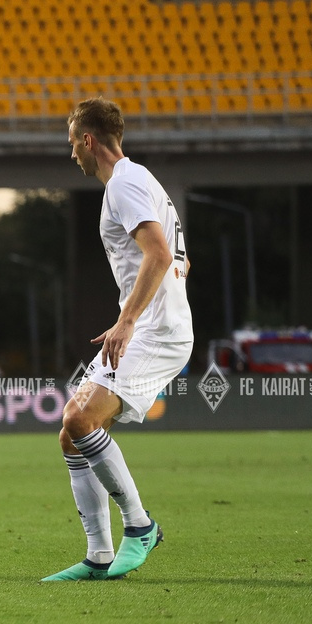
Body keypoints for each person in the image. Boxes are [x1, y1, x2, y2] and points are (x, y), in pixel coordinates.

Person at [43, 98, 193, 582]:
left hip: (155, 332)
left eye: (73, 143)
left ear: (88, 140)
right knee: (71, 433)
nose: (72, 154)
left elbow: (159, 253)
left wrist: (127, 320)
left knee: (80, 418)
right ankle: (99, 555)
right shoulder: (142, 179)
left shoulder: (124, 184)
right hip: (152, 325)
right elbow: (180, 259)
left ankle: (141, 526)